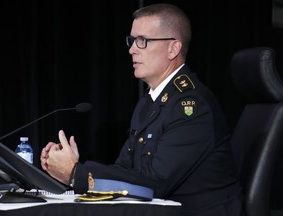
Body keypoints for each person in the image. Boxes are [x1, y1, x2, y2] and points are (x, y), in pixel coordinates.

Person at [41, 3, 244, 216]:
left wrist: (76, 174)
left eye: (142, 41)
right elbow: (126, 170)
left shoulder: (192, 106)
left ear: (173, 48)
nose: (131, 49)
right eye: (132, 41)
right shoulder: (149, 101)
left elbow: (156, 183)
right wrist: (74, 167)